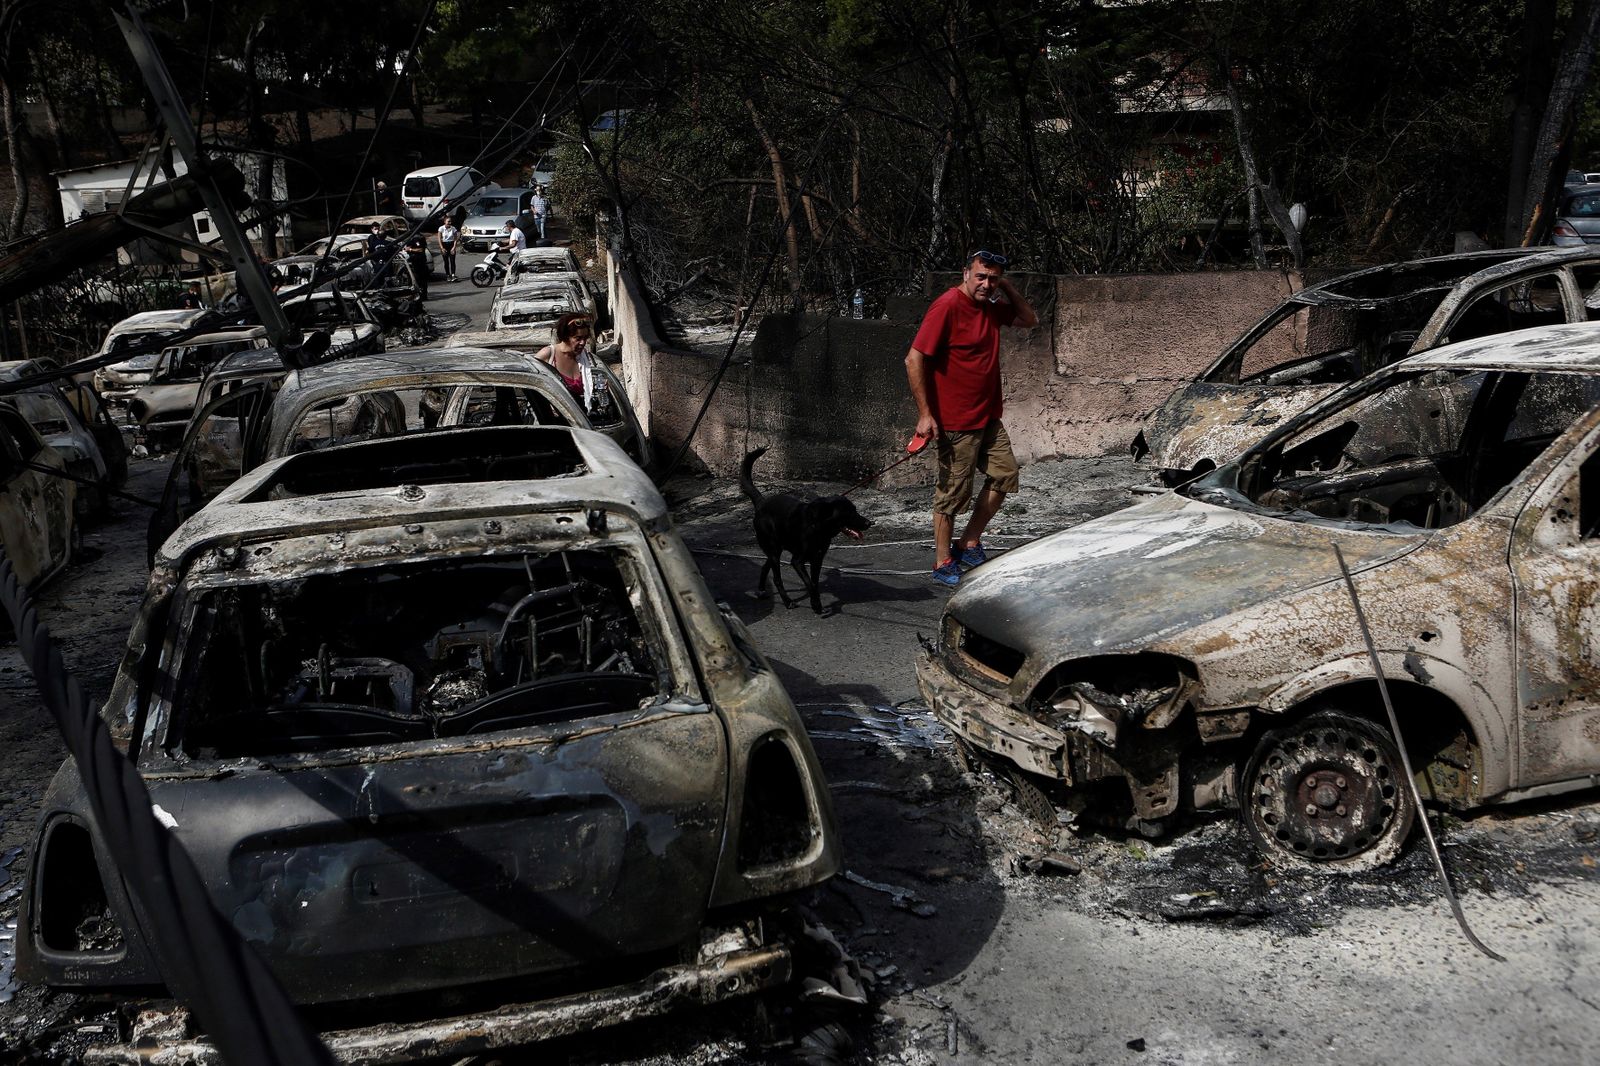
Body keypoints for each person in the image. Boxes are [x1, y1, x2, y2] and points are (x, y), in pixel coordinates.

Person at [904, 249, 1039, 587]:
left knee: (1005, 475)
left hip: (988, 416)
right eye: (981, 276)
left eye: (992, 278)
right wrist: (925, 415)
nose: (986, 284)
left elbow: (1029, 319)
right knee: (952, 493)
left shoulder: (990, 308)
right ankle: (942, 561)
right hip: (956, 421)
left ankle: (968, 541)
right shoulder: (947, 305)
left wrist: (1005, 287)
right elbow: (913, 359)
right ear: (966, 273)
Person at [535, 313, 595, 409]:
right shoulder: (548, 355)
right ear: (565, 336)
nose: (583, 343)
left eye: (585, 338)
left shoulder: (585, 359)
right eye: (578, 338)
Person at [404, 232, 430, 300]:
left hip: (420, 262)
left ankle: (423, 295)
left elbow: (420, 249)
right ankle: (418, 295)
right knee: (415, 280)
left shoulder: (418, 238)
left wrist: (410, 249)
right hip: (414, 262)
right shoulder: (411, 237)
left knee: (421, 279)